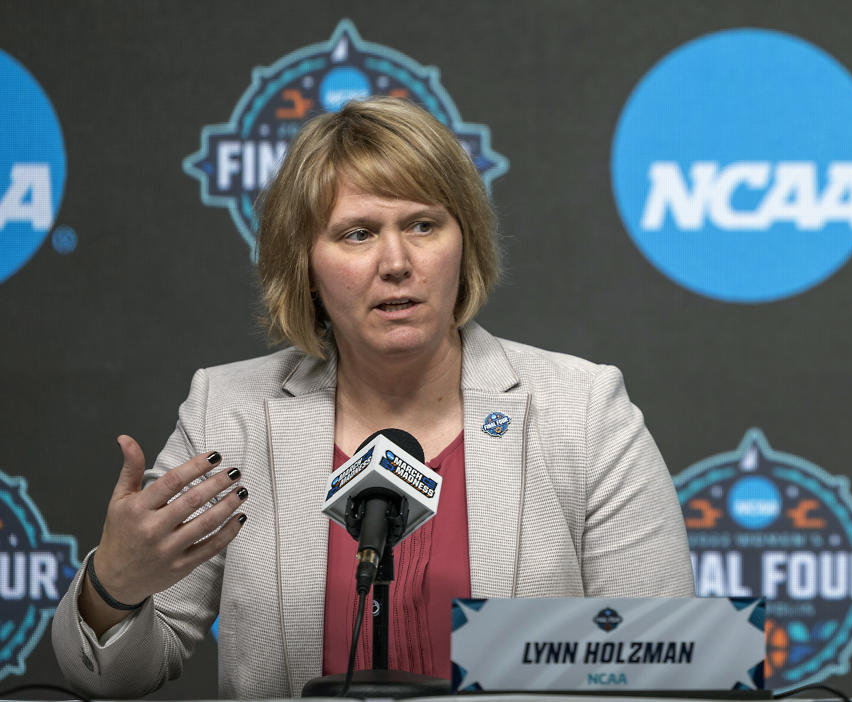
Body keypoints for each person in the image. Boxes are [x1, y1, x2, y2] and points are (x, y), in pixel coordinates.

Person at [52, 97, 694, 698]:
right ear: (302, 263)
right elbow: (110, 680)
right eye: (357, 233)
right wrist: (115, 586)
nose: (396, 261)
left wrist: (514, 653)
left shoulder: (580, 409)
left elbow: (669, 659)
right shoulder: (231, 410)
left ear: (463, 242)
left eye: (422, 224)